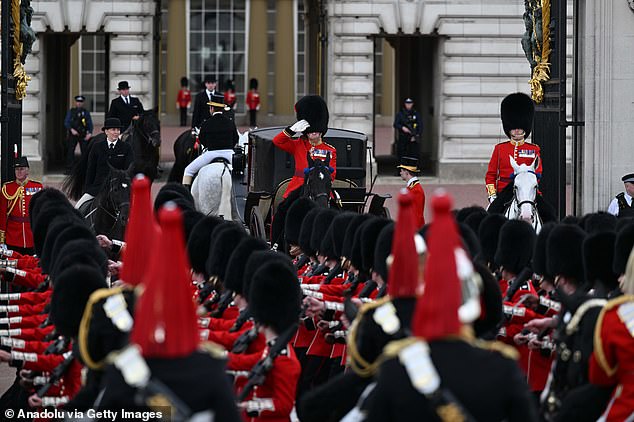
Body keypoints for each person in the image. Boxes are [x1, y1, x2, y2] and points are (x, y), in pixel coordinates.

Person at [272, 95, 337, 199]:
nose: (313, 133)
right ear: (306, 132)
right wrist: (291, 130)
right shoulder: (298, 145)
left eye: (316, 131)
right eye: (310, 131)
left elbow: (331, 176)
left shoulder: (330, 150)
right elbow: (277, 141)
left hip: (320, 190)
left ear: (321, 131)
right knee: (283, 211)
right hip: (298, 188)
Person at [486, 92, 542, 204]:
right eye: (513, 128)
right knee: (491, 217)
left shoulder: (534, 150)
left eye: (520, 128)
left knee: (547, 214)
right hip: (504, 192)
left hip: (527, 193)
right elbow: (491, 175)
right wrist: (492, 194)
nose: (516, 130)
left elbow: (538, 173)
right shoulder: (500, 149)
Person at [75, 117, 134, 209]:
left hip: (118, 188)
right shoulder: (97, 147)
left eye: (118, 130)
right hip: (97, 188)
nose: (116, 132)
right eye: (113, 130)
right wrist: (87, 190)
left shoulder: (126, 148)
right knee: (77, 208)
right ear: (106, 131)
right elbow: (91, 170)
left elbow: (128, 170)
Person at [0, 157, 43, 254]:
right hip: (13, 237)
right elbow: (2, 215)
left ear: (27, 171)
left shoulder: (37, 187)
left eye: (22, 169)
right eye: (17, 169)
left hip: (31, 236)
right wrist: (2, 240)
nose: (19, 172)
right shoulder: (7, 188)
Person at [63, 95, 93, 173]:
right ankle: (70, 169)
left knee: (85, 152)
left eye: (81, 102)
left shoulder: (85, 112)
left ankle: (84, 169)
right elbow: (66, 122)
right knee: (70, 151)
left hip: (83, 135)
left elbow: (90, 123)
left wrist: (89, 133)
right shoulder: (71, 111)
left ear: (83, 103)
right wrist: (71, 129)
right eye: (78, 102)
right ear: (75, 102)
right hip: (73, 134)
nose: (79, 103)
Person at [397, 157, 425, 228]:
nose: (400, 173)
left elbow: (417, 215)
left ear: (406, 172)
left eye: (401, 171)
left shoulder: (416, 190)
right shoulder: (412, 188)